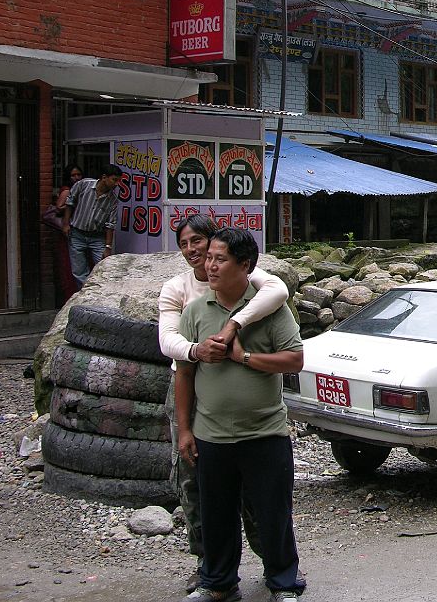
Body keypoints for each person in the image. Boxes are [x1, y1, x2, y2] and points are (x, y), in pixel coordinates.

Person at [159, 214, 290, 594]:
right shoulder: (178, 291)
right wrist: (197, 350)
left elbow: (278, 293)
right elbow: (169, 344)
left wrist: (234, 325)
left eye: (199, 241)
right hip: (196, 385)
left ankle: (276, 570)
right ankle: (211, 570)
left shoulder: (255, 284)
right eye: (184, 243)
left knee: (262, 495)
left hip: (256, 417)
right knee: (198, 485)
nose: (194, 251)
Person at [62, 164, 122, 288]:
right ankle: (86, 295)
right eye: (114, 180)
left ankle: (99, 294)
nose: (116, 184)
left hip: (97, 236)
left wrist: (108, 247)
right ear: (104, 177)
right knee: (79, 271)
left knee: (104, 268)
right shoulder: (84, 184)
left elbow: (110, 225)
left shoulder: (113, 200)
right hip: (77, 233)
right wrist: (66, 224)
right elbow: (70, 202)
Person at [54, 165, 83, 303]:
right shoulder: (67, 191)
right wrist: (73, 203)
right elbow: (59, 207)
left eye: (78, 175)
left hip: (77, 230)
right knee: (69, 266)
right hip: (69, 232)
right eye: (73, 175)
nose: (76, 178)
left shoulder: (80, 189)